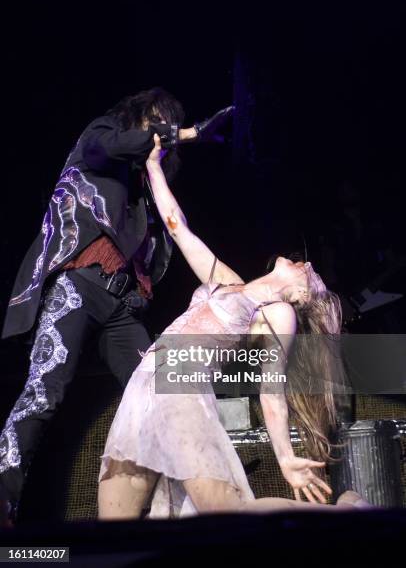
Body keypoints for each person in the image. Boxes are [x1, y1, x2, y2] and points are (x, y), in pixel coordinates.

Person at [98, 135, 367, 519]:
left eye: (312, 275)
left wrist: (287, 458)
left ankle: (347, 514)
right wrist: (154, 167)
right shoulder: (227, 281)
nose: (306, 265)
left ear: (299, 297)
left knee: (225, 510)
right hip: (144, 385)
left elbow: (271, 393)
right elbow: (178, 229)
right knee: (112, 526)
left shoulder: (280, 314)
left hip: (181, 387)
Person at [0, 87, 233, 523]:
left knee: (160, 396)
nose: (160, 133)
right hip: (78, 285)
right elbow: (116, 145)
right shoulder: (100, 138)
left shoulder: (146, 189)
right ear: (137, 118)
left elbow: (170, 233)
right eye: (155, 121)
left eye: (167, 123)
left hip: (123, 308)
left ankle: (180, 511)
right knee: (44, 394)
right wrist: (184, 133)